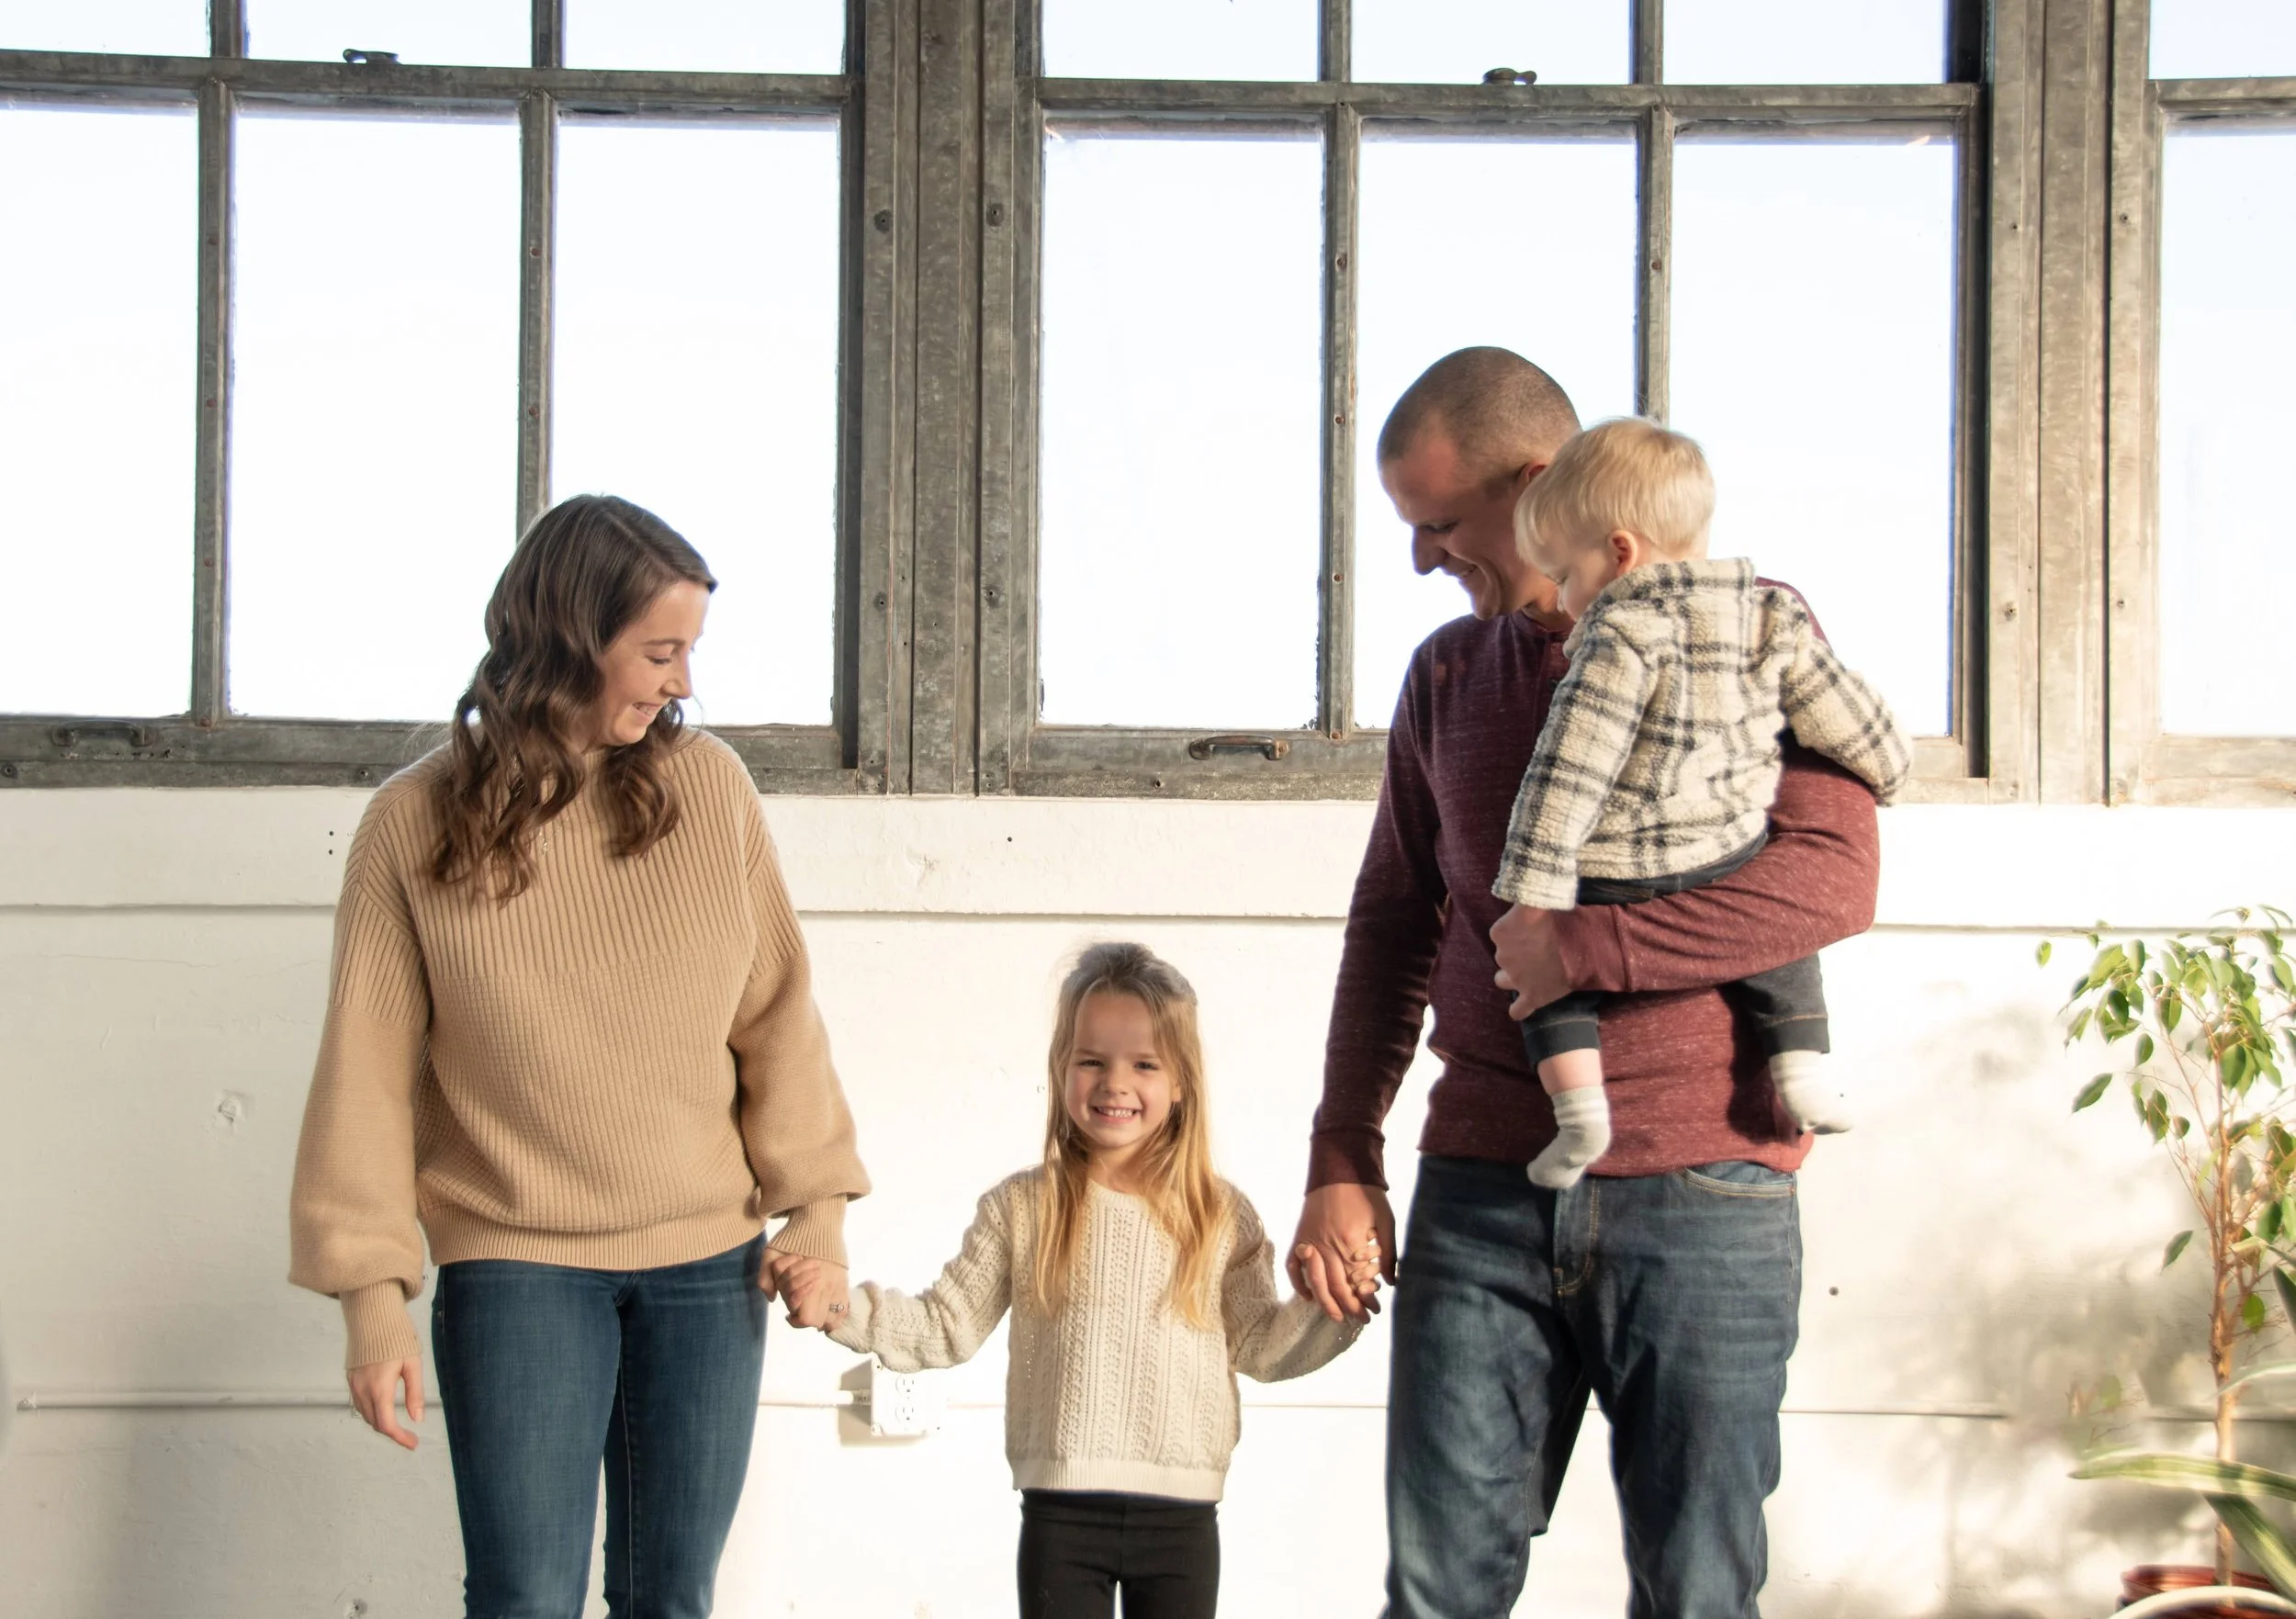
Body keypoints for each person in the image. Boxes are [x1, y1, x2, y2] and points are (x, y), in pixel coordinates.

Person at [1286, 347, 1883, 1618]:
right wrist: (1344, 1150)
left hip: (1707, 1184)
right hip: (1484, 1189)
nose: (1420, 559)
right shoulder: (1449, 676)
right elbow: (1395, 920)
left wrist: (1585, 950)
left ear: (1541, 485)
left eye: (1438, 522)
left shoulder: (1748, 628)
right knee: (1439, 1588)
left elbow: (1828, 881)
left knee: (1697, 1590)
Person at [287, 493, 869, 1619]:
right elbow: (363, 1079)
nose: (683, 682)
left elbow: (778, 1017)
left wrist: (820, 1216)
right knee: (524, 1597)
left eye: (690, 650)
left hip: (709, 1267)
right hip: (515, 1267)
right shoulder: (410, 826)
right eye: (660, 650)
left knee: (671, 1597)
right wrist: (370, 1295)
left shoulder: (709, 791)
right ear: (566, 639)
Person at [827, 942, 1367, 1619]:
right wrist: (838, 1305)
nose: (1115, 1083)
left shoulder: (1221, 1216)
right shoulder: (1021, 1207)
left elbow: (1262, 1345)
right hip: (1060, 1520)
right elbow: (947, 1325)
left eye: (1144, 1064)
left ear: (1181, 1084)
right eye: (1092, 1061)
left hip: (1182, 1524)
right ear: (1062, 1071)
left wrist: (1334, 1305)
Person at [1493, 417, 1911, 1188]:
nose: (1561, 598)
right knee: (1781, 947)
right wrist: (1890, 768)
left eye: (1563, 574)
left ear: (1620, 552)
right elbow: (1846, 718)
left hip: (1620, 864)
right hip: (1728, 852)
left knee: (1545, 984)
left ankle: (1581, 1116)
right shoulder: (1772, 618)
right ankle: (1804, 1070)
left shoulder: (1619, 633)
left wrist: (1534, 895)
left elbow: (1570, 770)